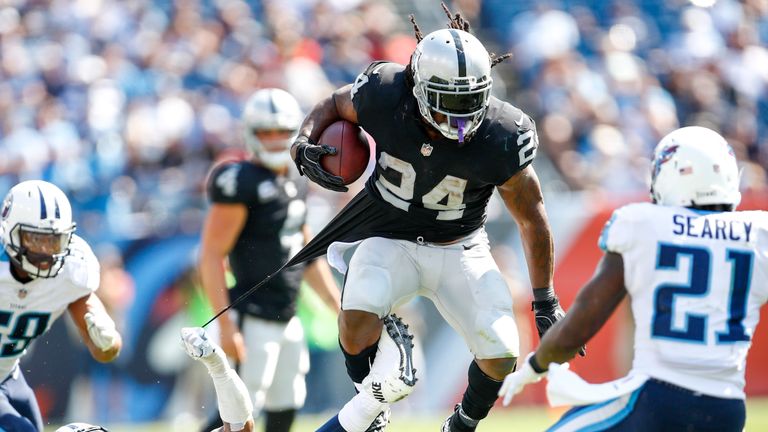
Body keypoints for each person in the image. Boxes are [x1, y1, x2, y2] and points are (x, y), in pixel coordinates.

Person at [290, 5, 581, 431]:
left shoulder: (501, 133)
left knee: (501, 351)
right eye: (451, 101)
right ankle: (370, 407)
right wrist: (303, 141)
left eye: (472, 98)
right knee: (354, 320)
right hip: (388, 236)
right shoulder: (385, 92)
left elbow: (532, 216)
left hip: (459, 245)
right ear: (418, 87)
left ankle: (461, 425)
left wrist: (545, 298)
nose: (463, 113)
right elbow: (334, 104)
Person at [498, 126, 763, 431]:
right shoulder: (757, 234)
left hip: (659, 399)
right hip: (727, 408)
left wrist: (535, 365)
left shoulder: (642, 224)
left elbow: (587, 314)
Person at [199, 88, 341, 432]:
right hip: (252, 315)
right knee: (236, 411)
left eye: (282, 131)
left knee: (287, 402)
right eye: (267, 132)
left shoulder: (297, 177)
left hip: (287, 314)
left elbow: (308, 254)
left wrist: (340, 308)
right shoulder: (241, 181)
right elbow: (212, 254)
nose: (276, 139)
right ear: (251, 133)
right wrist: (226, 323)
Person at [0, 180, 122, 431]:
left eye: (53, 241)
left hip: (7, 373)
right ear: (10, 231)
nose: (46, 253)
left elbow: (105, 351)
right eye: (36, 240)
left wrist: (107, 337)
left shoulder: (71, 268)